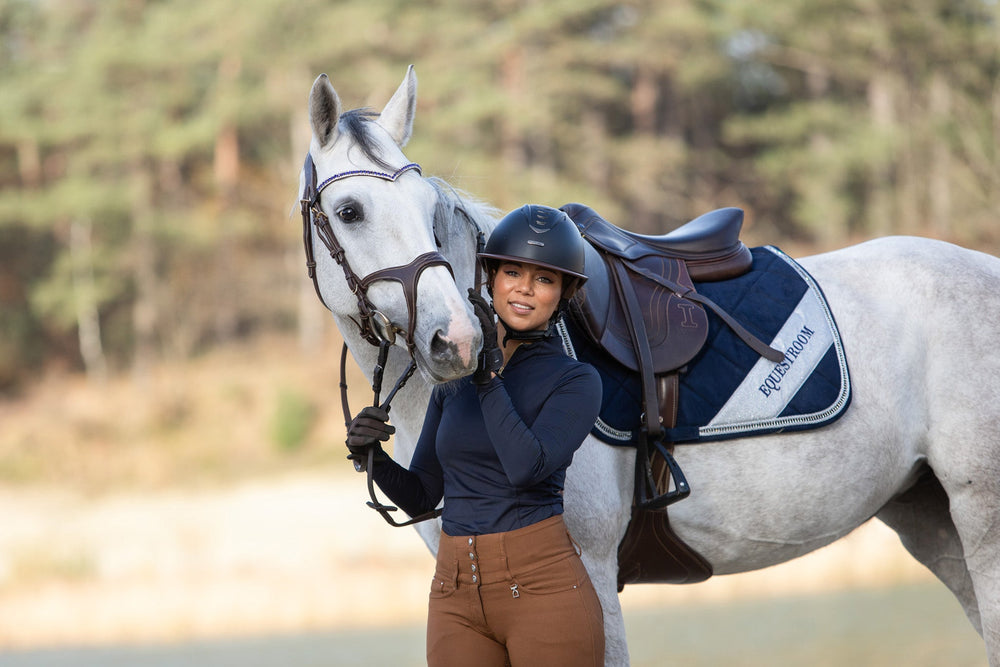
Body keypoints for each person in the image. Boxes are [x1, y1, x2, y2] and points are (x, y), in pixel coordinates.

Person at [345, 205, 605, 667]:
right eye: (512, 272)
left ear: (563, 292)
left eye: (544, 279)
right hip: (454, 594)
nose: (524, 287)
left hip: (543, 590)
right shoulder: (455, 382)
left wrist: (488, 377)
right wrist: (372, 457)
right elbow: (424, 497)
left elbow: (526, 468)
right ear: (490, 279)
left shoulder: (577, 381)